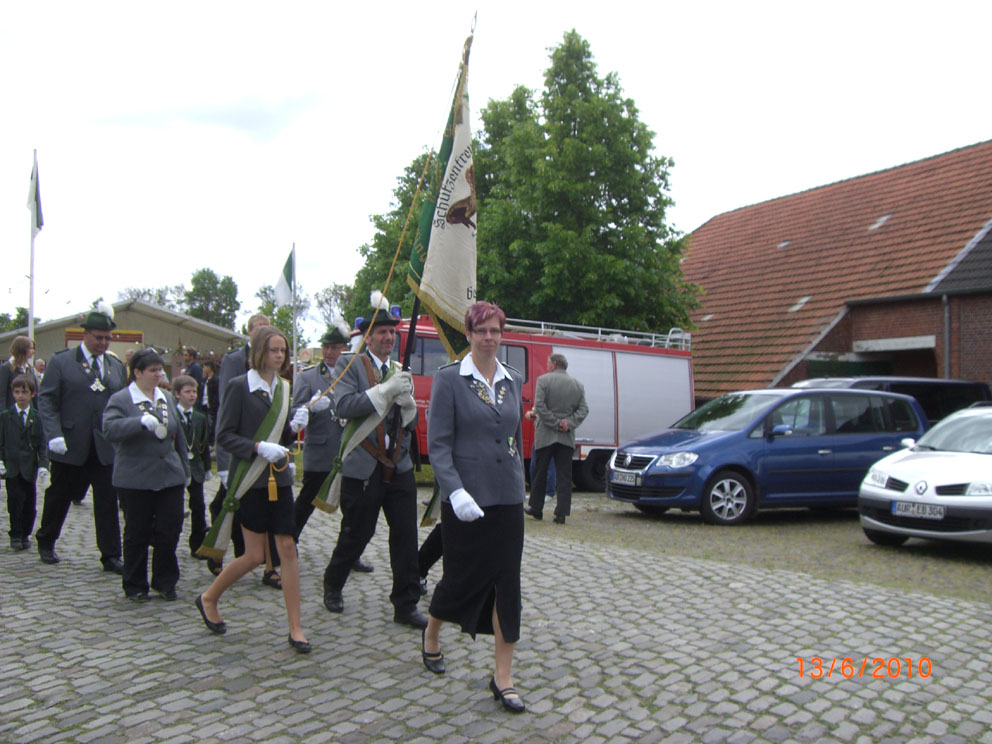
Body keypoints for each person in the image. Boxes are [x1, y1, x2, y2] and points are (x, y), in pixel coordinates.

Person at [421, 301, 527, 713]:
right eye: (481, 331)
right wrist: (455, 491)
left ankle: (503, 676)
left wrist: (521, 483)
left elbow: (514, 437)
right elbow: (438, 445)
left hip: (507, 500)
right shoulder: (450, 379)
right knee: (461, 580)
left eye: (495, 330)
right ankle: (432, 632)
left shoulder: (513, 380)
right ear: (467, 334)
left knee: (507, 585)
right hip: (466, 500)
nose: (488, 337)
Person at [194, 325, 311, 652]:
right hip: (250, 479)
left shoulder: (284, 388)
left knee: (287, 548)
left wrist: (294, 428)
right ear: (259, 352)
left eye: (283, 350)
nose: (280, 356)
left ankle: (296, 627)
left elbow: (281, 438)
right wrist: (258, 447)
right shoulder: (238, 386)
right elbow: (224, 436)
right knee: (254, 555)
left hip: (280, 479)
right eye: (274, 350)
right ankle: (209, 597)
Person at [321, 310, 426, 629]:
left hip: (399, 464)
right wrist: (385, 391)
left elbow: (411, 424)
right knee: (357, 533)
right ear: (368, 337)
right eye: (381, 332)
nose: (388, 337)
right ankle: (333, 583)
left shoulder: (399, 370)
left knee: (406, 536)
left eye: (392, 332)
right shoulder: (350, 364)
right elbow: (345, 406)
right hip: (364, 464)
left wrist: (408, 406)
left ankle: (405, 603)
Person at [36, 303, 126, 571]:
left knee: (107, 501)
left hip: (104, 446)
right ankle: (46, 540)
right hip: (70, 443)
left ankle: (111, 555)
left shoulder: (115, 365)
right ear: (85, 334)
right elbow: (47, 400)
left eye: (108, 338)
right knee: (59, 495)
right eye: (99, 338)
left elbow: (120, 403)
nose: (103, 343)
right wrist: (53, 434)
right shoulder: (61, 361)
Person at [102, 349, 191, 601]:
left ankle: (165, 581)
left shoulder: (165, 397)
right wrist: (138, 423)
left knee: (169, 530)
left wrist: (184, 469)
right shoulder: (121, 399)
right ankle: (135, 585)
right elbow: (109, 429)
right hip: (136, 477)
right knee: (137, 532)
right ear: (137, 372)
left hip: (169, 475)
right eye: (153, 370)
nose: (158, 374)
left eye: (160, 370)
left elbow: (178, 436)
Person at [208, 314, 280, 584]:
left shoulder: (276, 359)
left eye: (267, 329)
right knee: (227, 503)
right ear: (249, 332)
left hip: (267, 447)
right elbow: (227, 408)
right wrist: (224, 462)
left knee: (265, 509)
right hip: (241, 447)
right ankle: (217, 550)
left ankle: (268, 565)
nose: (263, 334)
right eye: (258, 330)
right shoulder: (234, 361)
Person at [524, 353, 588, 524]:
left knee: (540, 472)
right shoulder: (578, 385)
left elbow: (540, 406)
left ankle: (536, 508)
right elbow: (583, 410)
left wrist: (554, 423)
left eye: (548, 363)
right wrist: (568, 423)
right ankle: (561, 513)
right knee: (565, 476)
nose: (546, 366)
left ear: (554, 364)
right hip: (566, 437)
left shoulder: (543, 381)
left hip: (545, 434)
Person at [1, 374, 49, 551]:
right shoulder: (5, 416)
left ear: (32, 394)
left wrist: (43, 465)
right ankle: (15, 533)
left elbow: (42, 444)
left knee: (29, 502)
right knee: (15, 501)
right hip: (12, 466)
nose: (20, 396)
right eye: (17, 392)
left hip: (29, 467)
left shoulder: (37, 417)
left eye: (24, 392)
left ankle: (25, 534)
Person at [172, 374, 211, 559]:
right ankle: (167, 542)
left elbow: (204, 444)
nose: (192, 395)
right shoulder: (172, 415)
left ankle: (197, 545)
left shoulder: (200, 417)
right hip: (177, 468)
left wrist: (207, 467)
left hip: (195, 468)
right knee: (174, 509)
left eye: (194, 392)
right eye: (187, 392)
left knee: (199, 507)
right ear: (177, 394)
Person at [525, 409, 556, 501]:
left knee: (549, 467)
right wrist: (530, 414)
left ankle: (549, 493)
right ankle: (535, 493)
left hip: (551, 437)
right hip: (538, 438)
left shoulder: (553, 403)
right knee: (534, 467)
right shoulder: (539, 403)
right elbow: (529, 414)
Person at [1, 335, 38, 408]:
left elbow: (35, 394)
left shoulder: (29, 369)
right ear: (22, 349)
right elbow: (2, 394)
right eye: (30, 348)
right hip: (12, 411)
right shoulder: (6, 368)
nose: (33, 351)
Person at [202, 360, 219, 442]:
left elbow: (216, 395)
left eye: (204, 367)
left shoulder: (216, 380)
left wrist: (213, 406)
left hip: (212, 406)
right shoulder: (205, 380)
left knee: (212, 424)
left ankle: (211, 441)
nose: (203, 369)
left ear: (209, 367)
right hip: (204, 405)